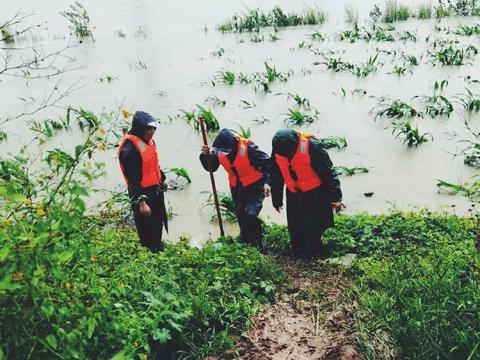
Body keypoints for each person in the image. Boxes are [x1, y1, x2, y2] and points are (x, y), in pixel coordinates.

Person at [270, 129, 344, 259]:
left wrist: (336, 197)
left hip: (315, 193)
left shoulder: (313, 147)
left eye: (289, 153)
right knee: (294, 226)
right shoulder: (278, 150)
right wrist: (277, 200)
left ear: (295, 143)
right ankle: (298, 252)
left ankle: (315, 252)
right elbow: (276, 175)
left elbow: (329, 173)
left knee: (313, 226)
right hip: (293, 193)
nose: (287, 156)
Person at [200, 128, 271, 250]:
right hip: (237, 185)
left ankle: (259, 244)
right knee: (240, 213)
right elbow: (211, 167)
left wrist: (268, 183)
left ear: (233, 146)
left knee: (250, 213)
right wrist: (205, 156)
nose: (221, 154)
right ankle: (245, 240)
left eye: (225, 152)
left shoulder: (249, 148)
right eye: (219, 152)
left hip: (255, 184)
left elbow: (269, 164)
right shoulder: (218, 151)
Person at [118, 111, 168, 252]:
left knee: (158, 221)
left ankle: (157, 247)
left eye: (153, 128)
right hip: (142, 193)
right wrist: (141, 202)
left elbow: (153, 165)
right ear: (139, 129)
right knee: (146, 226)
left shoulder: (148, 142)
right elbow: (133, 179)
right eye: (148, 128)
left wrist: (161, 180)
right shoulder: (130, 150)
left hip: (155, 189)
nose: (152, 132)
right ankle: (149, 252)